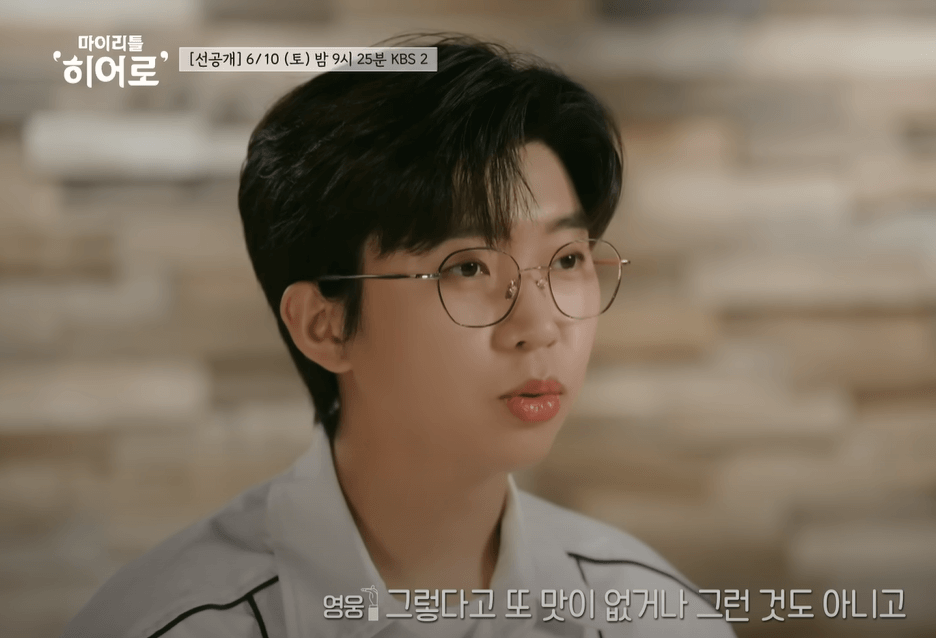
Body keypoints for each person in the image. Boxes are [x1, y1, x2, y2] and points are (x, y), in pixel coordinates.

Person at [61, 34, 736, 638]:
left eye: (566, 260)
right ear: (325, 326)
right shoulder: (173, 622)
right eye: (468, 267)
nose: (539, 327)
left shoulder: (654, 613)